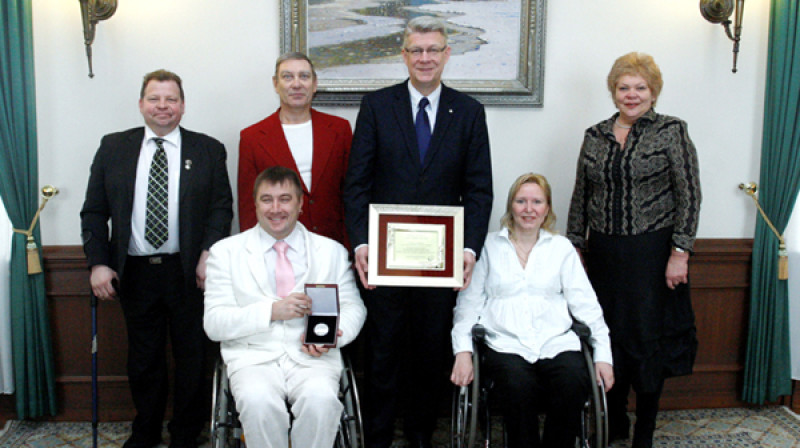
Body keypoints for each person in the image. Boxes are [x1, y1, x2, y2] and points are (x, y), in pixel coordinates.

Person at [343, 15, 493, 448]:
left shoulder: (468, 112)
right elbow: (358, 184)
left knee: (430, 350)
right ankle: (378, 436)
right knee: (384, 349)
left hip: (440, 262)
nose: (425, 58)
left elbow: (478, 189)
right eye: (416, 50)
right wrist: (362, 244)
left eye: (433, 50)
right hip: (385, 261)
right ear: (403, 55)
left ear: (447, 55)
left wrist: (468, 249)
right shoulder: (376, 105)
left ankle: (422, 433)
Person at [80, 69, 234, 448]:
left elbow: (220, 207)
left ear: (182, 106)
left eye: (170, 99)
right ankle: (145, 429)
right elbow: (94, 211)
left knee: (192, 359)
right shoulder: (113, 147)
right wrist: (99, 262)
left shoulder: (208, 149)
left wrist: (208, 254)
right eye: (154, 98)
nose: (162, 106)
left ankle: (186, 432)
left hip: (188, 273)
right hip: (135, 272)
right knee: (144, 359)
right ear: (141, 104)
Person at [566, 52, 701, 448]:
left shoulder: (672, 131)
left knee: (647, 342)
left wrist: (681, 252)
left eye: (640, 88)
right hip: (604, 254)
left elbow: (689, 195)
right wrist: (575, 246)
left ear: (653, 92)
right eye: (624, 87)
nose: (631, 95)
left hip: (652, 254)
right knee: (608, 337)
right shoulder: (595, 135)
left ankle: (644, 430)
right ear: (613, 91)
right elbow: (580, 196)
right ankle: (615, 420)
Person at [203, 166, 366, 448]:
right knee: (258, 403)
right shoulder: (225, 253)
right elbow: (214, 323)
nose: (275, 208)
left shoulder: (332, 252)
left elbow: (354, 309)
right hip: (252, 356)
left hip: (313, 358)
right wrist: (271, 312)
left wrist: (334, 336)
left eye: (285, 199)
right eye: (267, 199)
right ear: (254, 204)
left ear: (301, 203)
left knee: (322, 402)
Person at [450, 173, 614, 448]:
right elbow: (467, 306)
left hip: (556, 340)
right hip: (505, 343)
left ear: (547, 208)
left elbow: (587, 306)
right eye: (521, 201)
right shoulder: (488, 246)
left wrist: (603, 356)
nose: (529, 209)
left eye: (537, 202)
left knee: (573, 382)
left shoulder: (562, 249)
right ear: (510, 205)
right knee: (517, 388)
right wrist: (463, 352)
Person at [238, 52, 352, 246]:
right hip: (276, 246)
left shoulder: (339, 129)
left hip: (332, 244)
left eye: (304, 76)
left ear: (314, 84)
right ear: (276, 84)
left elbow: (351, 192)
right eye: (288, 77)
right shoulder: (252, 137)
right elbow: (249, 204)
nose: (296, 84)